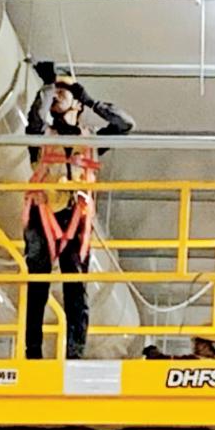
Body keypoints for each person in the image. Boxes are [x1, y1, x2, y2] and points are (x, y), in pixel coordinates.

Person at [23, 62, 134, 360]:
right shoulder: (41, 135)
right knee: (37, 287)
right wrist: (47, 86)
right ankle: (32, 352)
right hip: (42, 216)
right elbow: (35, 117)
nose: (59, 94)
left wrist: (91, 100)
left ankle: (75, 354)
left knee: (76, 290)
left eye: (65, 91)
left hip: (76, 219)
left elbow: (125, 124)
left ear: (78, 104)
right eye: (56, 91)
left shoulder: (90, 139)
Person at [142, 334, 215, 361]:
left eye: (199, 342)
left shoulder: (195, 361)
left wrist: (157, 357)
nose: (195, 345)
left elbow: (173, 363)